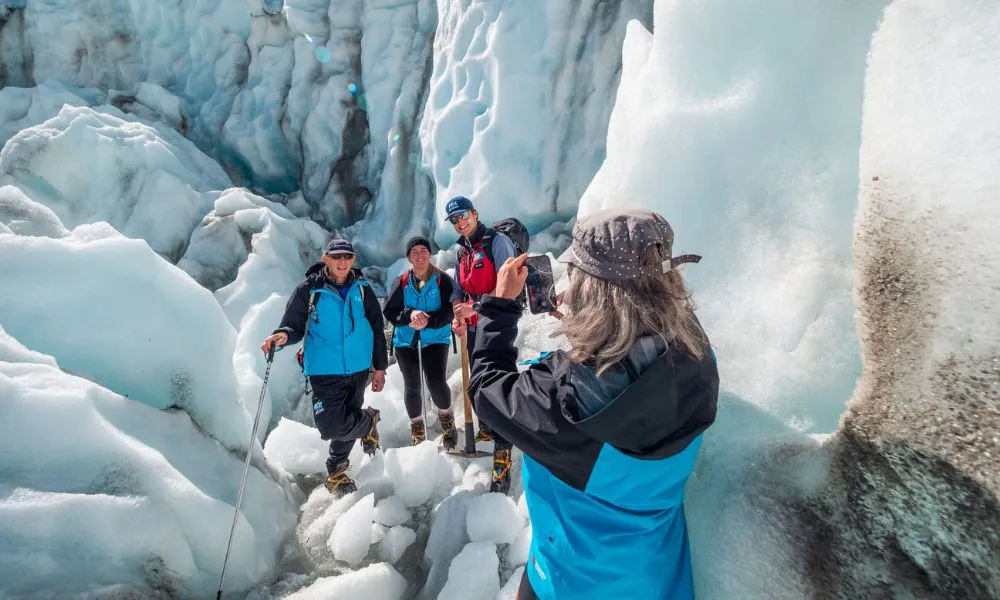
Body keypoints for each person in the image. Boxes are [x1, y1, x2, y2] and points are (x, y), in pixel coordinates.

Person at [468, 207, 719, 600]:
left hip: (567, 581)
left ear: (594, 293)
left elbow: (486, 388)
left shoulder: (562, 402)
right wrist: (596, 323)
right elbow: (647, 334)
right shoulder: (699, 360)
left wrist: (500, 304)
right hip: (656, 579)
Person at [261, 239, 388, 497]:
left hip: (358, 368)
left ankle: (337, 471)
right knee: (331, 425)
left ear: (353, 260)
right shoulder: (309, 290)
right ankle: (368, 422)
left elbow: (377, 327)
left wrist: (380, 367)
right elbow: (293, 325)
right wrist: (282, 336)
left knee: (347, 415)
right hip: (324, 370)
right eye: (337, 257)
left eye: (347, 257)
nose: (342, 262)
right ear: (326, 258)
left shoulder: (362, 289)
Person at [445, 195, 519, 494]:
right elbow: (457, 289)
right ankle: (489, 426)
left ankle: (503, 462)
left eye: (463, 215)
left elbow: (510, 285)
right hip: (476, 327)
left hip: (498, 323)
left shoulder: (497, 243)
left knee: (497, 388)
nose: (460, 222)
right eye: (454, 219)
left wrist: (474, 308)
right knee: (479, 384)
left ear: (475, 213)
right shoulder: (463, 251)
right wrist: (458, 314)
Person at [382, 235, 459, 449]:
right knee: (412, 385)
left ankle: (446, 420)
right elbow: (389, 311)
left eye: (423, 251)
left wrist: (429, 321)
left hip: (435, 338)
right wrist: (410, 315)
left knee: (436, 382)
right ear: (409, 257)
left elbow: (450, 310)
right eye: (414, 252)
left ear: (430, 254)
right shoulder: (402, 282)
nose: (419, 255)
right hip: (406, 340)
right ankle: (417, 427)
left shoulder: (443, 280)